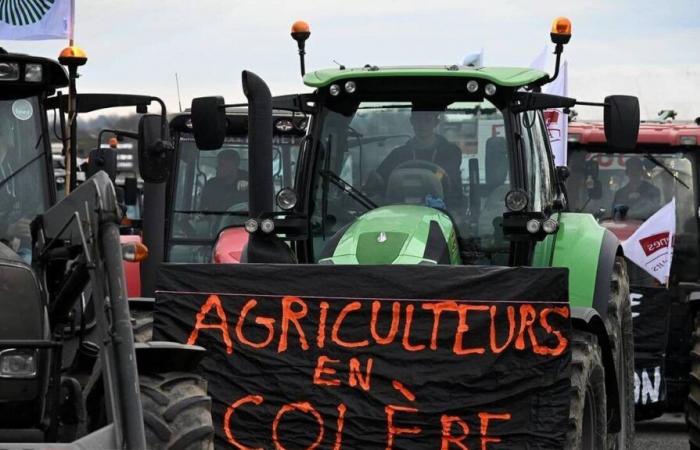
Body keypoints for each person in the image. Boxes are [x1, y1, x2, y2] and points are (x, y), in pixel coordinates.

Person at [372, 104, 464, 208]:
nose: (422, 125)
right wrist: (373, 180)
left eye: (427, 120)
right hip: (401, 211)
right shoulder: (397, 155)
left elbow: (451, 182)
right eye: (418, 120)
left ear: (436, 122)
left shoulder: (450, 153)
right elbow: (379, 181)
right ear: (412, 121)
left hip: (442, 210)